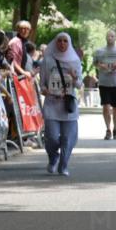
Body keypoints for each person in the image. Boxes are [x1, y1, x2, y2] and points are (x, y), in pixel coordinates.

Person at [40, 32, 82, 176]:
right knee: (51, 137)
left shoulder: (75, 61)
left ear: (69, 43)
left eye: (65, 41)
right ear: (55, 42)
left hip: (68, 106)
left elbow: (79, 84)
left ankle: (63, 166)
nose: (62, 44)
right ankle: (53, 158)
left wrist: (74, 77)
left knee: (68, 138)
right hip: (52, 104)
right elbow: (42, 85)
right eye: (59, 41)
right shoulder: (47, 60)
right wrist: (47, 91)